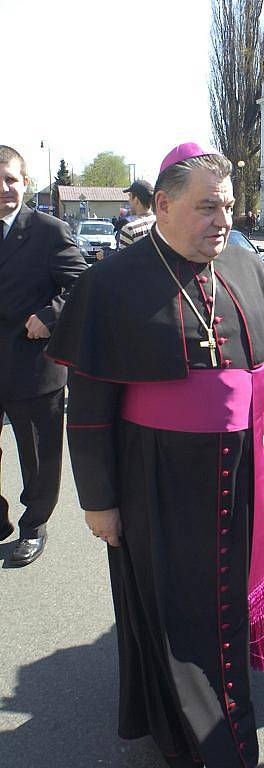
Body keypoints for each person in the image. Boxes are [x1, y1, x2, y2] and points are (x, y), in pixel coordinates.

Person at [47, 142, 264, 768]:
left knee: (224, 602)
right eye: (208, 207)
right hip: (153, 474)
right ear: (162, 205)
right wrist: (100, 502)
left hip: (236, 468)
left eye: (231, 208)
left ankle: (224, 704)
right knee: (169, 608)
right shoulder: (111, 282)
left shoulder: (248, 269)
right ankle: (193, 731)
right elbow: (88, 408)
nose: (224, 221)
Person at [0, 145, 87, 566]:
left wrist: (49, 316)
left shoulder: (48, 230)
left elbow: (82, 285)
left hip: (32, 366)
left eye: (10, 180)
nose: (3, 189)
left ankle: (34, 525)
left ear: (25, 183)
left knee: (37, 455)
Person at [119, 179, 156, 249]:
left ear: (136, 199)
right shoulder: (162, 224)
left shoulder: (129, 229)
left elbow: (123, 259)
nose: (128, 200)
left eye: (130, 195)